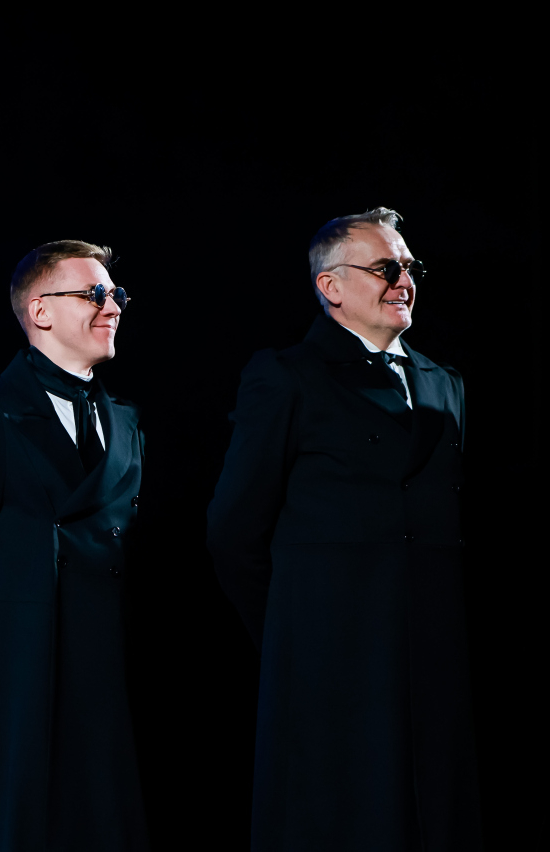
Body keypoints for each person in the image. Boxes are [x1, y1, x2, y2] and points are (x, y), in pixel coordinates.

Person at [207, 208, 482, 850]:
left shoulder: (445, 383)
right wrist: (294, 627)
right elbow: (233, 530)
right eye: (385, 267)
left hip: (432, 657)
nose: (404, 280)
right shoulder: (288, 375)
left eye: (410, 267)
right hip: (331, 657)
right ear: (330, 286)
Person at [0, 240, 149, 851]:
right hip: (20, 667)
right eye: (94, 294)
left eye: (116, 294)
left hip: (108, 667)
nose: (112, 307)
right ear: (40, 311)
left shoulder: (126, 421)